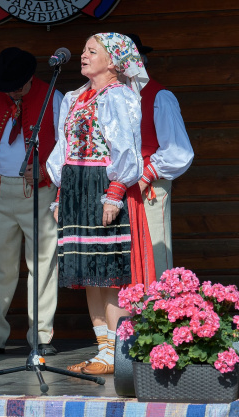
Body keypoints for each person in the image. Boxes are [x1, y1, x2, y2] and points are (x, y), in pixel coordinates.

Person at [46, 33, 155, 375]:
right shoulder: (75, 97)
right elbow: (63, 148)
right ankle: (102, 350)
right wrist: (61, 194)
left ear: (112, 62)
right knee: (87, 274)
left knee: (109, 274)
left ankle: (117, 353)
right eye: (83, 49)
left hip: (103, 185)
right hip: (76, 186)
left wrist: (116, 191)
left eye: (91, 51)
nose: (83, 55)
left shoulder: (118, 96)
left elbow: (125, 146)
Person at [0, 48, 63, 357]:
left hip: (39, 190)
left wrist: (48, 169)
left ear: (30, 78)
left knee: (43, 263)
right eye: (7, 86)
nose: (12, 91)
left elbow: (67, 143)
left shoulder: (54, 97)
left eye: (17, 85)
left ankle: (41, 336)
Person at [126, 33, 194, 279]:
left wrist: (147, 176)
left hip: (149, 188)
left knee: (154, 258)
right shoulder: (111, 98)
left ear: (140, 61)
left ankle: (156, 315)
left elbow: (179, 152)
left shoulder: (159, 96)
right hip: (118, 191)